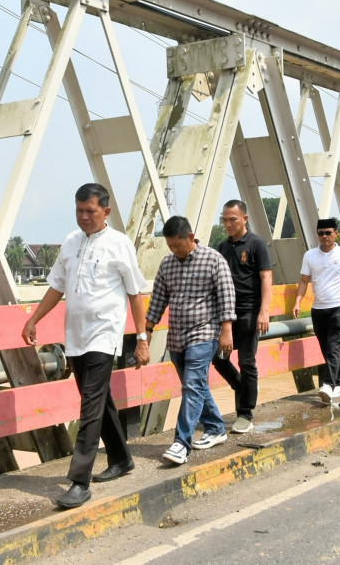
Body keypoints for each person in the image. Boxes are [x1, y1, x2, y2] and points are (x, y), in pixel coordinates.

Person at [21, 183, 149, 510]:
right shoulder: (70, 242)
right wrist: (34, 318)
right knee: (97, 399)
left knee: (89, 406)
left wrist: (143, 339)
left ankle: (80, 481)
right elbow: (56, 286)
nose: (83, 217)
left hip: (105, 335)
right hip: (75, 336)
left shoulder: (120, 244)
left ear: (106, 211)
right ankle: (121, 458)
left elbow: (135, 293)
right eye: (79, 211)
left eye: (90, 211)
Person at [146, 216, 236, 465]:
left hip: (204, 333)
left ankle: (181, 443)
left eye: (177, 245)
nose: (174, 250)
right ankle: (216, 428)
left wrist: (226, 331)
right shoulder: (167, 265)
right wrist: (148, 328)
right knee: (194, 386)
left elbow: (227, 296)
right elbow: (158, 300)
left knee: (193, 385)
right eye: (170, 247)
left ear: (190, 237)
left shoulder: (213, 259)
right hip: (177, 336)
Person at [213, 200, 273, 434]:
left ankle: (245, 413)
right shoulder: (222, 247)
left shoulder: (257, 244)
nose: (228, 224)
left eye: (233, 219)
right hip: (226, 314)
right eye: (225, 219)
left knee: (247, 362)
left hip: (249, 311)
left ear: (244, 219)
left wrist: (264, 311)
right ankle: (241, 387)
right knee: (217, 358)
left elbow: (267, 278)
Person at [293, 218, 340, 403]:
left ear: (335, 234)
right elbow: (304, 281)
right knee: (326, 349)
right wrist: (298, 302)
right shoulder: (310, 255)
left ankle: (328, 385)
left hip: (339, 306)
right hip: (318, 309)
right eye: (321, 233)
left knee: (333, 347)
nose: (324, 236)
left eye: (328, 233)